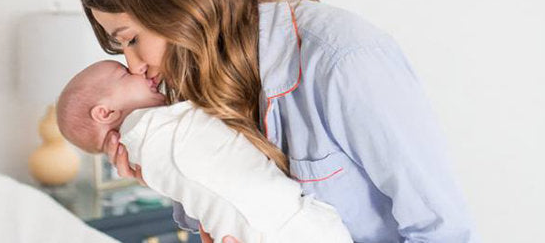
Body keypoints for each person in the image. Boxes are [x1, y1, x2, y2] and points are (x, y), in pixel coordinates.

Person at [79, 0, 479, 243]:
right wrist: (170, 176)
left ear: (174, 3)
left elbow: (444, 231)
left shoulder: (343, 58)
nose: (132, 65)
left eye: (130, 39)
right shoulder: (190, 102)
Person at [56, 60, 352, 243]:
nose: (138, 69)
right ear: (105, 112)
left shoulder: (148, 143)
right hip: (279, 226)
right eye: (124, 74)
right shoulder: (146, 127)